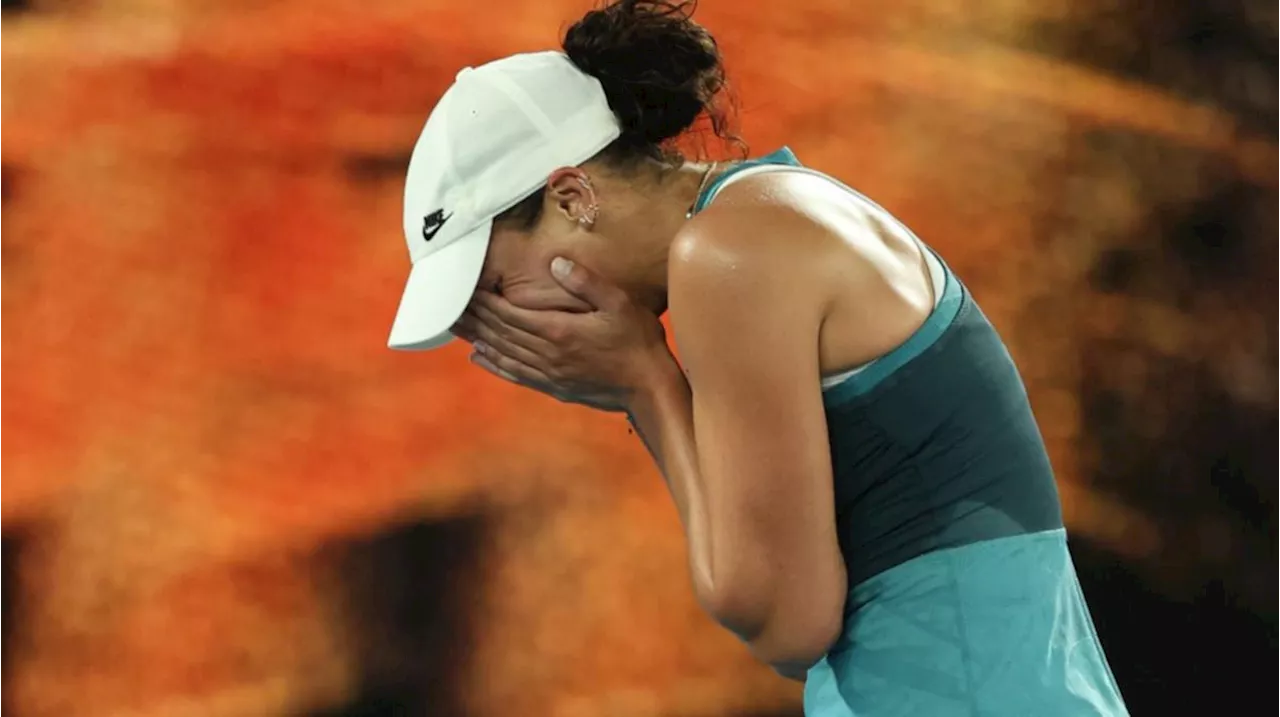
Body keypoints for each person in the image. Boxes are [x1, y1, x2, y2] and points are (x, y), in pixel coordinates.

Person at [386, 1, 1130, 714]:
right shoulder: (764, 216)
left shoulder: (729, 254)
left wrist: (646, 382)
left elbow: (784, 622)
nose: (510, 322)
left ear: (574, 195)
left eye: (497, 286)